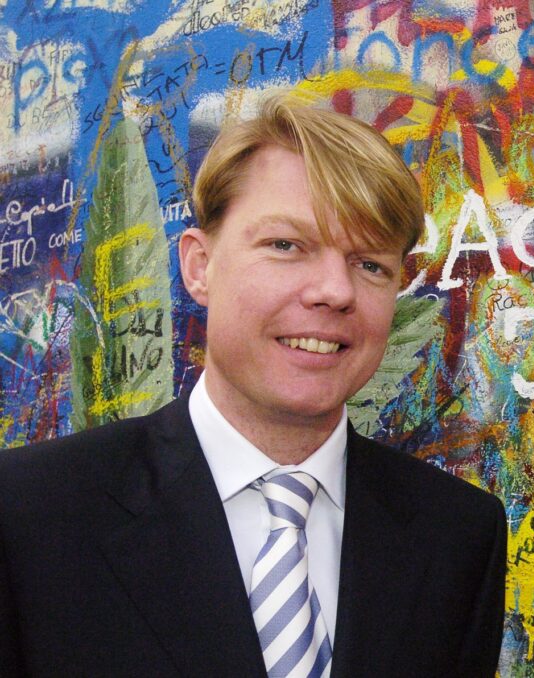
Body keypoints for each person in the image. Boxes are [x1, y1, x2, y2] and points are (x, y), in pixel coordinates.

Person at [0, 94, 507, 677]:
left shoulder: (458, 536)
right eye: (287, 245)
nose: (334, 291)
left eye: (370, 264)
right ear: (199, 266)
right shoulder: (30, 514)